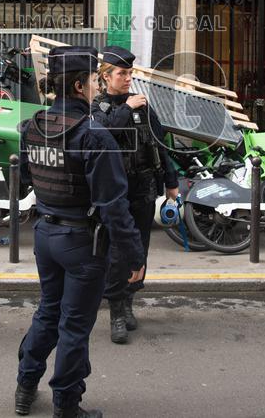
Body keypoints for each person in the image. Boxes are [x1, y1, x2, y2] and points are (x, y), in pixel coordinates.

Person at [15, 46, 146, 418]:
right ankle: (66, 406)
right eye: (91, 80)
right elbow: (114, 205)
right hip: (82, 244)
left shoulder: (34, 126)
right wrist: (134, 256)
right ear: (77, 85)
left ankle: (25, 387)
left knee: (47, 314)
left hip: (45, 236)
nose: (94, 86)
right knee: (74, 327)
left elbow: (26, 178)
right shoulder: (93, 134)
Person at [90, 45, 178, 345]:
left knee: (140, 249)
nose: (128, 79)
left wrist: (171, 182)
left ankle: (129, 302)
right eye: (121, 73)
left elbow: (159, 143)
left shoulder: (142, 106)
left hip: (143, 189)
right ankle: (115, 310)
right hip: (115, 194)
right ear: (105, 77)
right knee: (117, 252)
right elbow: (105, 134)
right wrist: (127, 108)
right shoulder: (98, 108)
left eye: (130, 73)